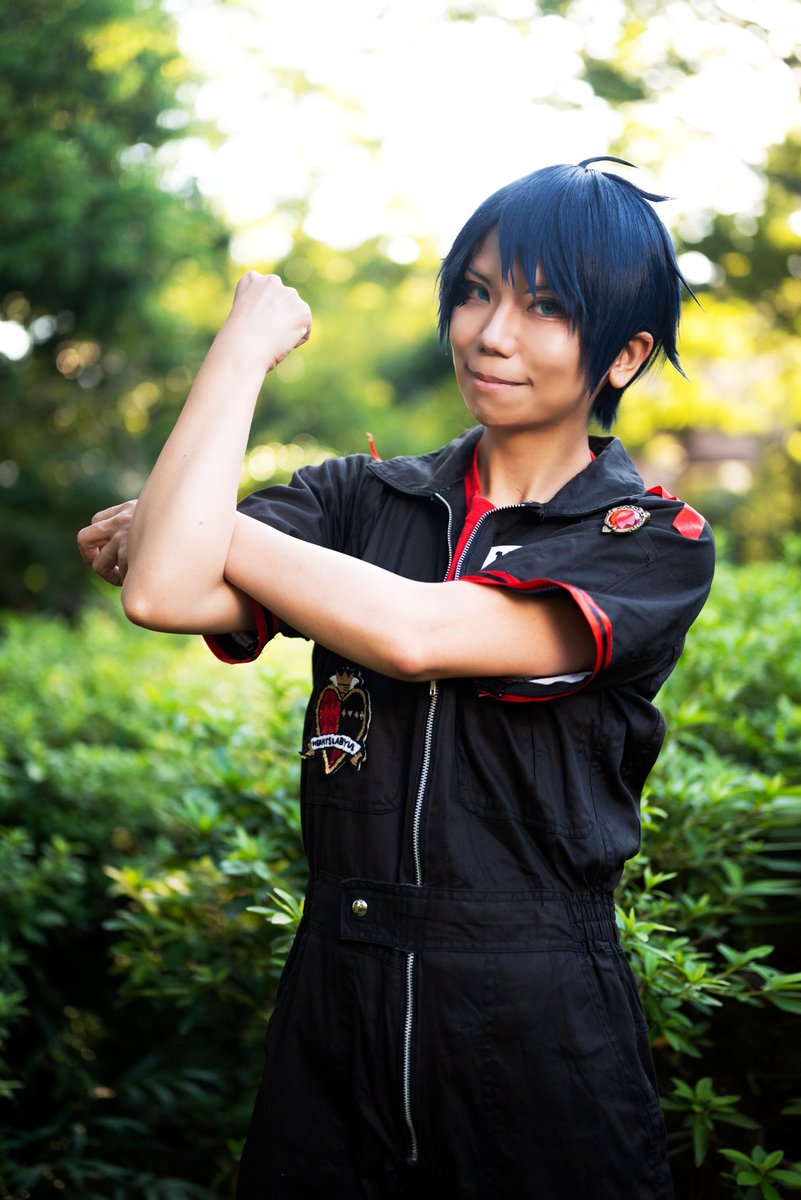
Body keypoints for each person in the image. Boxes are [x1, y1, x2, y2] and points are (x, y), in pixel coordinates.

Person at [78, 156, 715, 1200]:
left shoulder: (645, 540)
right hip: (333, 1008)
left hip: (536, 1025)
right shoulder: (354, 501)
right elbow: (162, 587)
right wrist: (240, 351)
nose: (491, 334)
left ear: (625, 352)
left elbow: (416, 634)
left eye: (546, 307)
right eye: (476, 292)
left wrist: (191, 520)